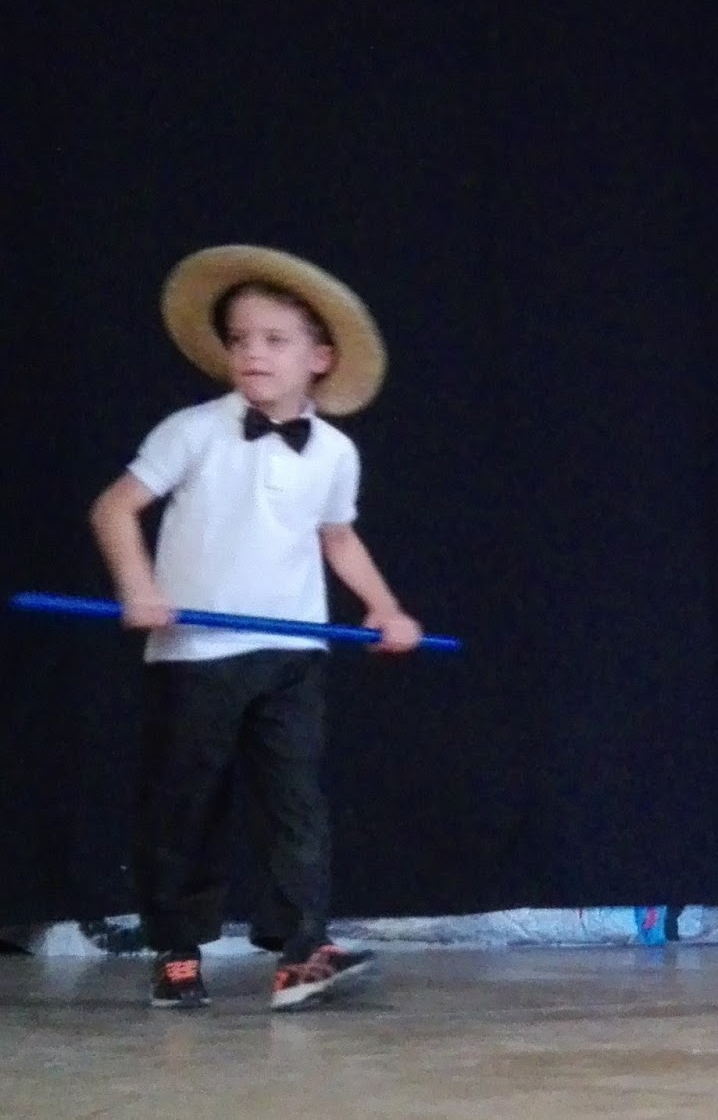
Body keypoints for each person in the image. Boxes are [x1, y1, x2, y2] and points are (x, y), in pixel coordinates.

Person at [88, 245, 423, 1011]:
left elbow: (337, 537)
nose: (252, 352)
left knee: (296, 801)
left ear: (319, 358)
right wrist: (138, 585)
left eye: (274, 339)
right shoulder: (193, 431)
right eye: (240, 338)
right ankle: (177, 951)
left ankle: (301, 950)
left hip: (293, 650)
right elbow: (114, 507)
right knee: (185, 801)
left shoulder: (335, 451)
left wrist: (384, 607)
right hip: (196, 654)